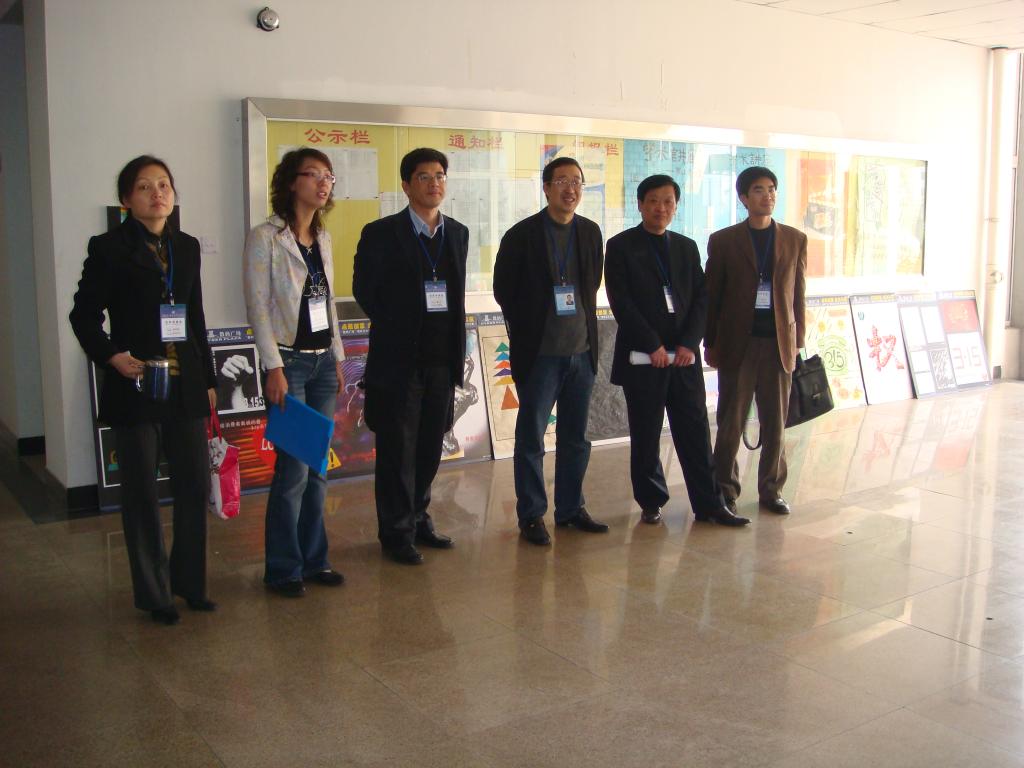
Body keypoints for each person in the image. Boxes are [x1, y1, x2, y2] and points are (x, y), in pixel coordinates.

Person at [70, 155, 217, 625]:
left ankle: (190, 583)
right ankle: (155, 595)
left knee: (194, 486)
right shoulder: (108, 248)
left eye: (164, 185)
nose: (157, 194)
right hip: (135, 382)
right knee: (141, 494)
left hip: (185, 384)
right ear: (126, 199)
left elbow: (195, 317)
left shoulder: (186, 246)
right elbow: (83, 316)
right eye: (144, 187)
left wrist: (209, 379)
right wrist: (112, 357)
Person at [605, 175, 749, 527]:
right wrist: (651, 344)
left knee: (696, 431)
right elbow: (621, 301)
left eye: (668, 201)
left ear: (676, 206)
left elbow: (701, 297)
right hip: (644, 359)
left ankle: (710, 503)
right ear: (640, 205)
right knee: (646, 433)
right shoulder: (621, 246)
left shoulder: (685, 247)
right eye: (653, 200)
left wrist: (690, 342)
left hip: (684, 358)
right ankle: (651, 500)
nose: (661, 208)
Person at [353, 148, 467, 565]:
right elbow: (366, 291)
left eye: (440, 176)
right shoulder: (381, 233)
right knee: (397, 452)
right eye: (424, 176)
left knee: (429, 448)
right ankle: (396, 532)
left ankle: (419, 518)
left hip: (441, 361)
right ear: (406, 185)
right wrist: (401, 325)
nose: (434, 183)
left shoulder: (457, 233)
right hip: (399, 362)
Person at [243, 148, 346, 596]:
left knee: (317, 467)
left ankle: (314, 560)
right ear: (291, 182)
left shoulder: (322, 237)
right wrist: (274, 366)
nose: (323, 183)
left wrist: (338, 357)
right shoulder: (266, 237)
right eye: (313, 174)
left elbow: (329, 303)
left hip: (322, 363)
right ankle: (283, 568)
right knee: (294, 471)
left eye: (329, 176)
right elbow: (258, 307)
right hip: (289, 363)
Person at [493, 157, 608, 546]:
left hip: (582, 352)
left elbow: (591, 285)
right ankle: (531, 515)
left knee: (576, 438)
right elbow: (504, 290)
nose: (570, 189)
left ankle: (571, 509)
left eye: (577, 182)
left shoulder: (590, 232)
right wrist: (530, 326)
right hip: (540, 355)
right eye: (561, 181)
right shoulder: (522, 235)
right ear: (546, 188)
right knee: (531, 438)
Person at [705, 166, 807, 515]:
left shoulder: (794, 239)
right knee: (730, 423)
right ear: (744, 198)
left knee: (776, 423)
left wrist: (798, 340)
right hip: (738, 345)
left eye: (772, 189)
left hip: (778, 344)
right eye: (760, 190)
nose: (768, 195)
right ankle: (725, 489)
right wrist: (710, 342)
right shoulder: (724, 241)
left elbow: (798, 294)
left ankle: (772, 490)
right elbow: (713, 296)